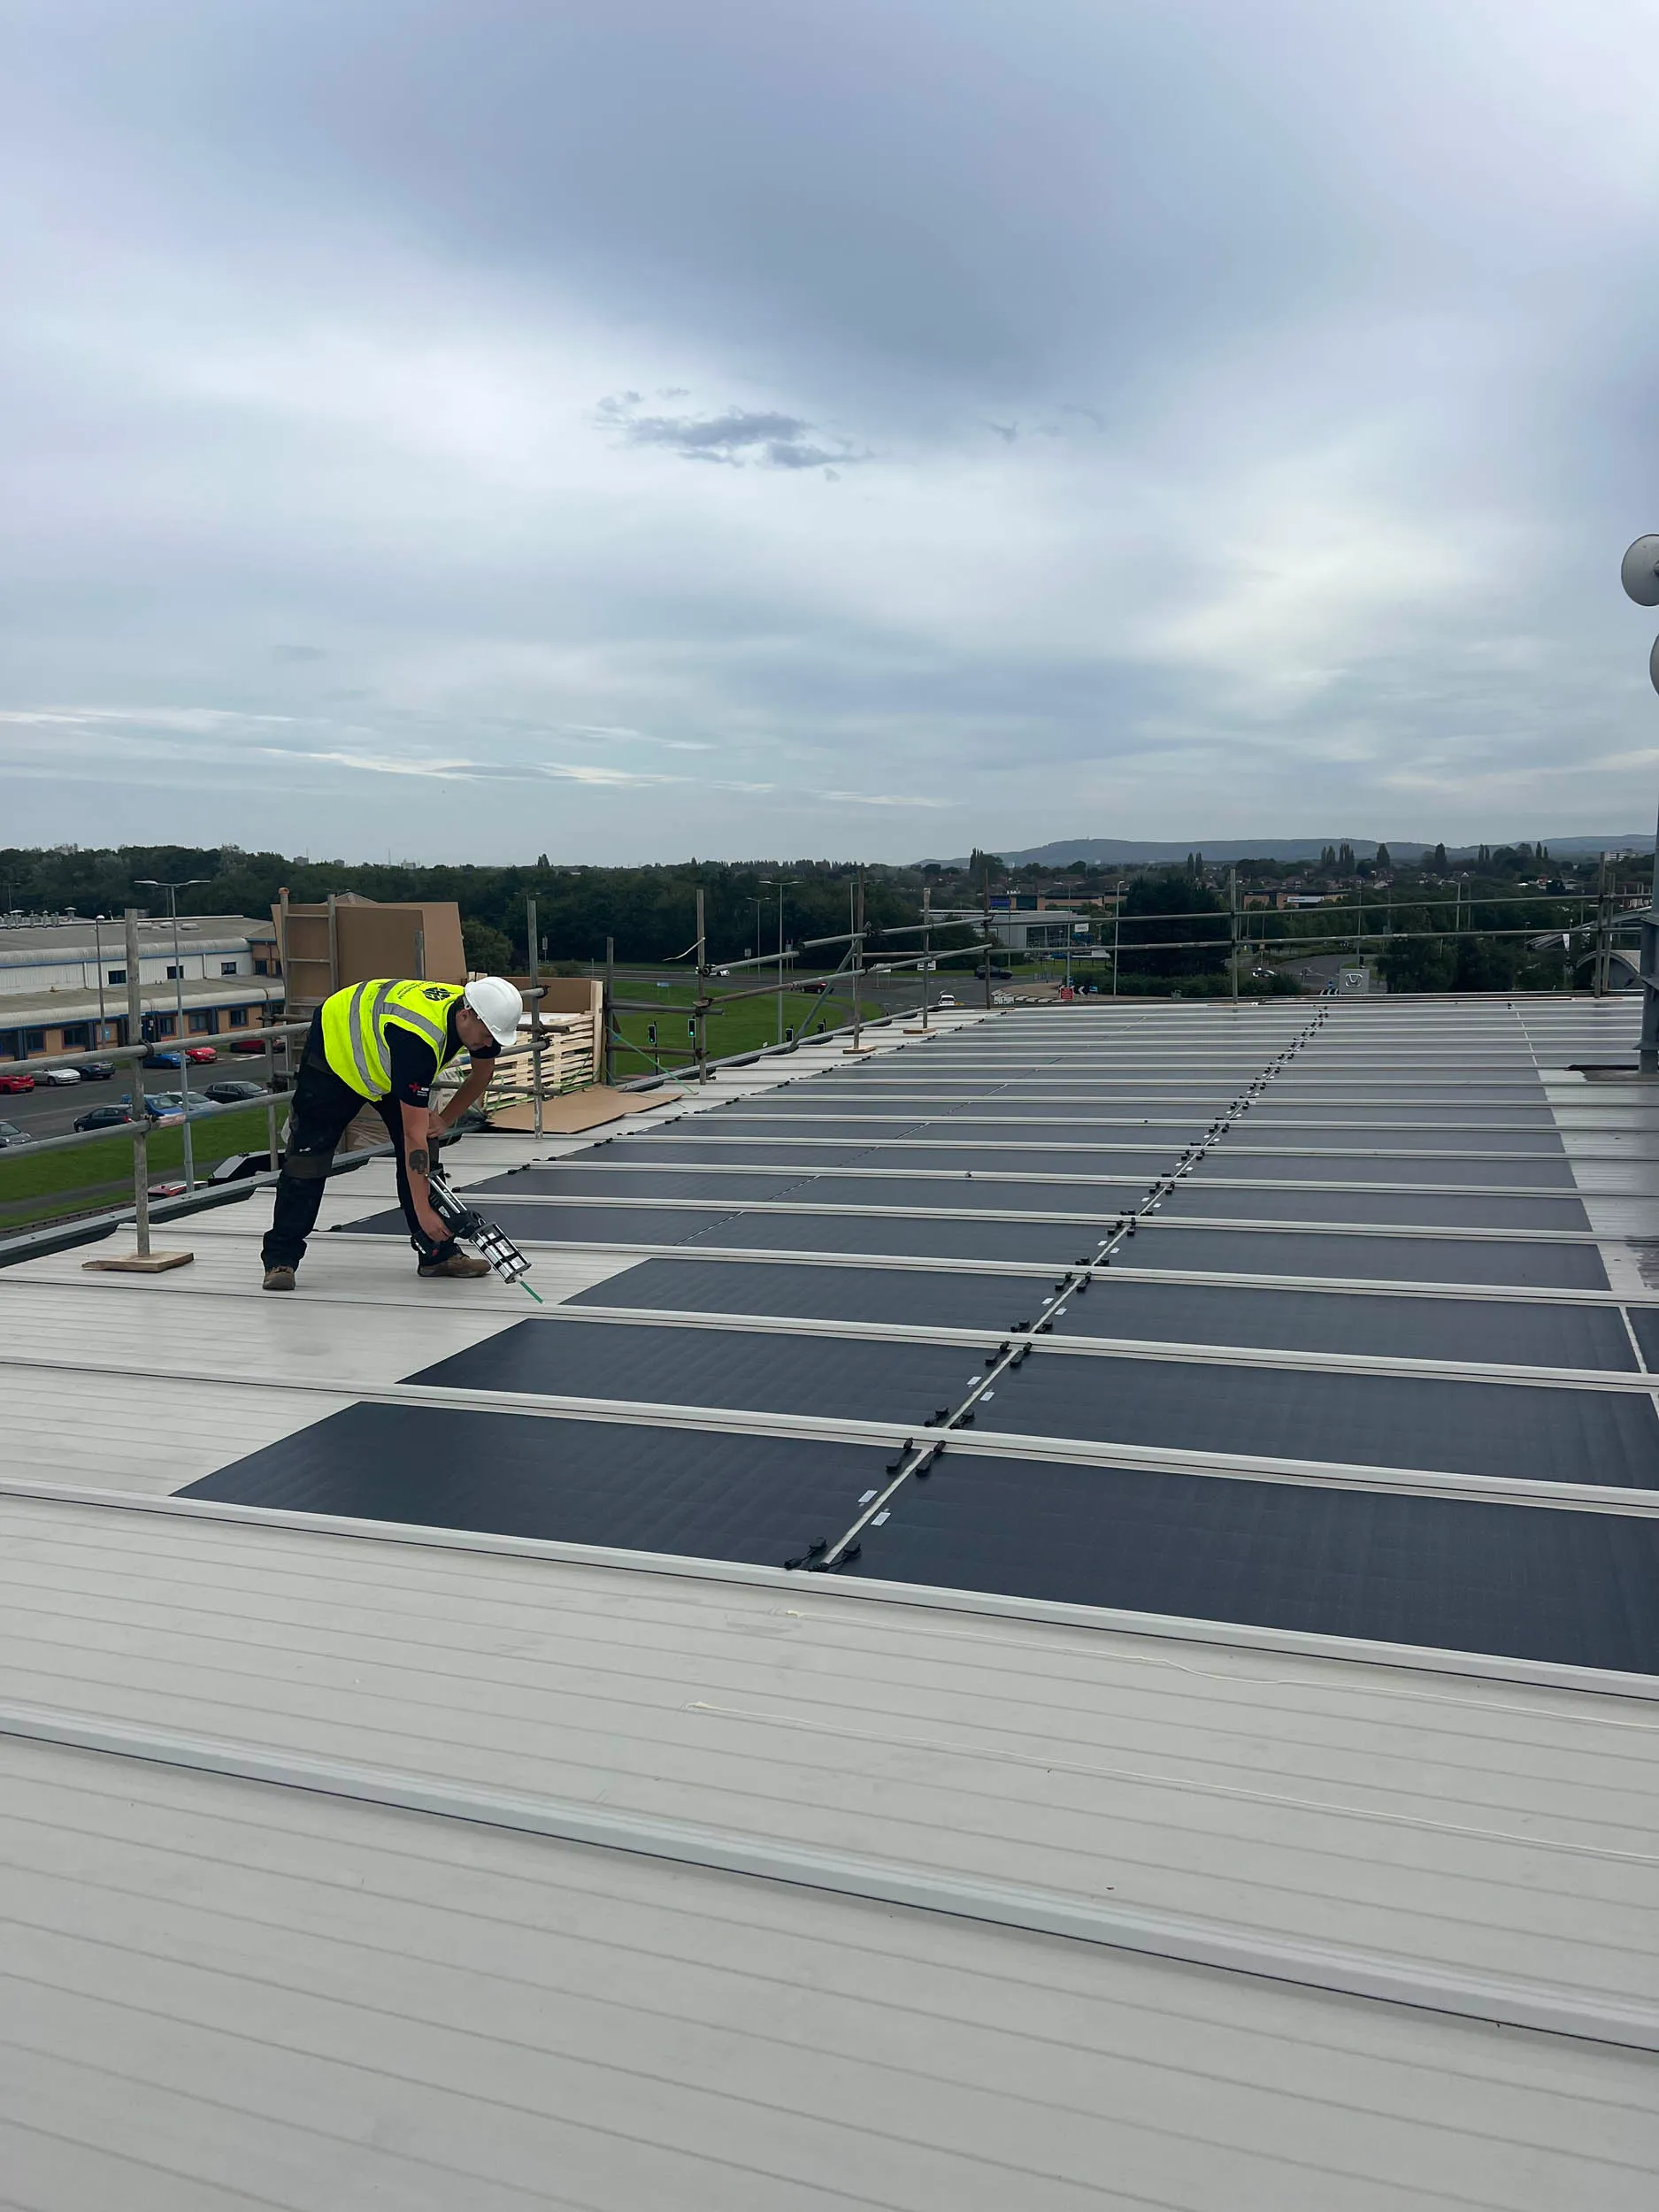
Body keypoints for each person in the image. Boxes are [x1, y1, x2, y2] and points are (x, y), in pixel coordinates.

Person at [260, 975, 524, 1291]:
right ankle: (281, 1258)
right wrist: (423, 1211)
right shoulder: (419, 1039)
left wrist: (445, 1119)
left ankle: (437, 1254)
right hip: (339, 1051)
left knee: (428, 1143)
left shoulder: (480, 1014)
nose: (488, 1045)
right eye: (486, 1037)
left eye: (495, 1039)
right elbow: (413, 1138)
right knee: (307, 1160)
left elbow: (483, 1074)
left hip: (385, 1056)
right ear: (466, 1015)